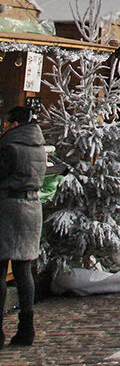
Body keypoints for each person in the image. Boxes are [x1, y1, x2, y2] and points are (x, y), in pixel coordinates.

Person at [0, 106, 46, 347]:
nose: (5, 127)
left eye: (7, 123)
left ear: (16, 124)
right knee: (23, 270)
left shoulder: (9, 148)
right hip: (31, 209)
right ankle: (26, 329)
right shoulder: (38, 147)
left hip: (7, 209)